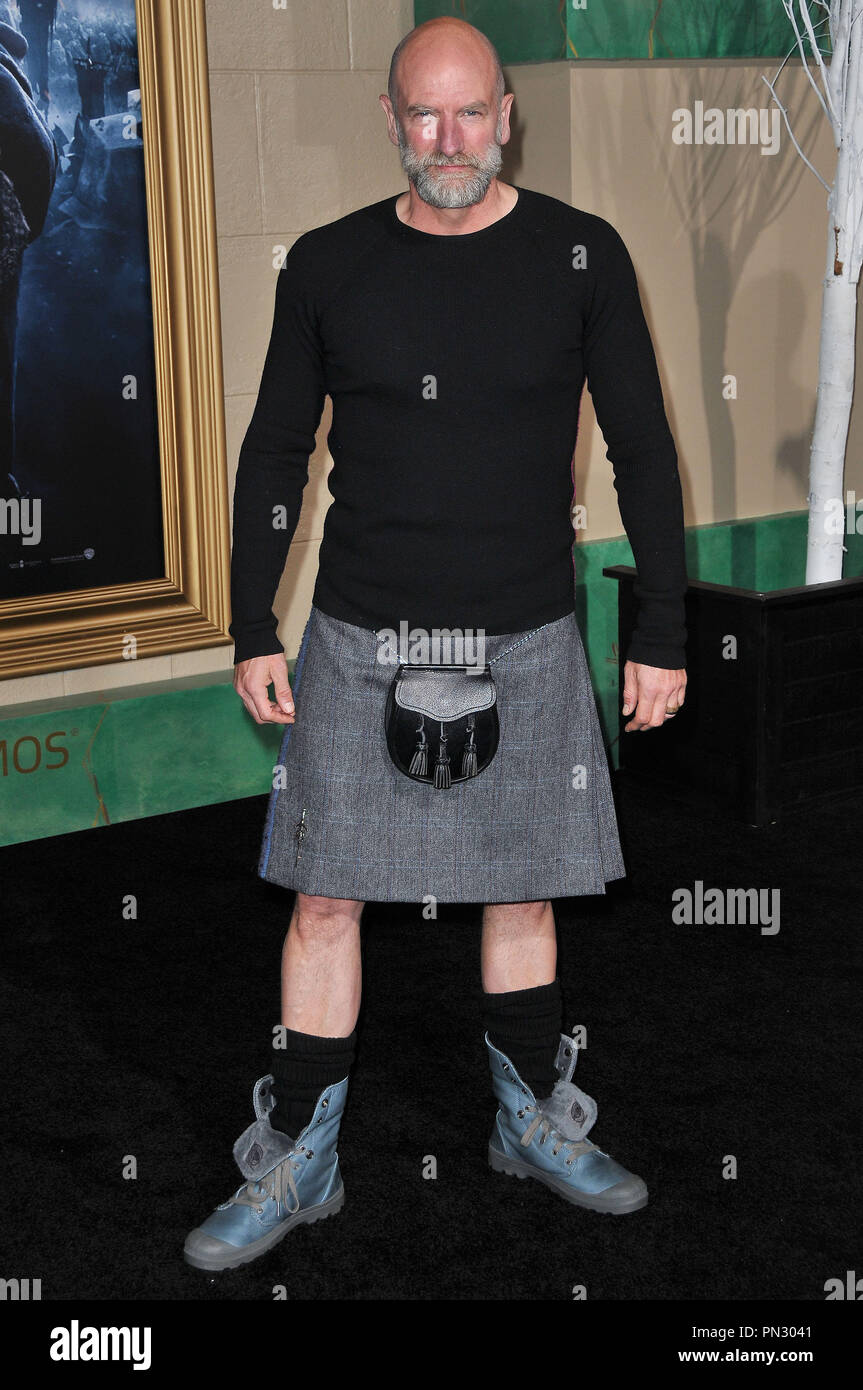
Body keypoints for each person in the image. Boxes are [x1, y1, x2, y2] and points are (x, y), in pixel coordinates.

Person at [184, 16, 687, 1272]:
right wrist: (254, 620)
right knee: (323, 899)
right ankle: (298, 1156)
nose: (449, 141)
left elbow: (642, 448)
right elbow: (273, 455)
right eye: (425, 116)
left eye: (471, 114)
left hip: (526, 629)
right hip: (358, 632)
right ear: (390, 117)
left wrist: (661, 626)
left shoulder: (581, 255)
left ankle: (528, 1124)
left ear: (506, 113)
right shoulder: (327, 264)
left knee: (522, 893)